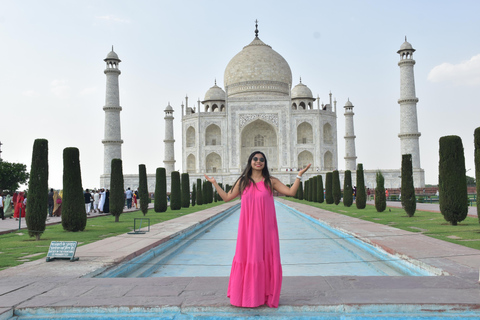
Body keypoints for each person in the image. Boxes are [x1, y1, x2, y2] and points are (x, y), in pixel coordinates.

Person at [204, 151, 311, 308]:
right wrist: (214, 183)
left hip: (266, 230)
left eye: (261, 159)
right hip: (247, 231)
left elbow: (291, 192)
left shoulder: (270, 181)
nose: (258, 161)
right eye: (255, 159)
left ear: (265, 163)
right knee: (248, 258)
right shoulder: (243, 182)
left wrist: (299, 176)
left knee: (265, 259)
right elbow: (227, 197)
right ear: (250, 161)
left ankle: (263, 295)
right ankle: (247, 296)